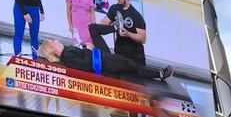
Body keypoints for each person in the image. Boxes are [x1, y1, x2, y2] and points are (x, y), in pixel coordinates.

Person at [38, 40, 173, 81]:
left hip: (103, 58)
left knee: (132, 65)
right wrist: (89, 50)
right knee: (131, 66)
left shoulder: (67, 51)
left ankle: (158, 74)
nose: (57, 41)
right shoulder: (67, 57)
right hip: (104, 63)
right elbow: (85, 65)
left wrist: (87, 48)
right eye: (54, 42)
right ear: (54, 50)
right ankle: (159, 74)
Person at [88, 0, 146, 65]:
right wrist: (94, 27)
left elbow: (142, 38)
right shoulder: (114, 9)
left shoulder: (136, 16)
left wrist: (128, 34)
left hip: (135, 57)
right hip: (119, 53)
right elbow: (104, 22)